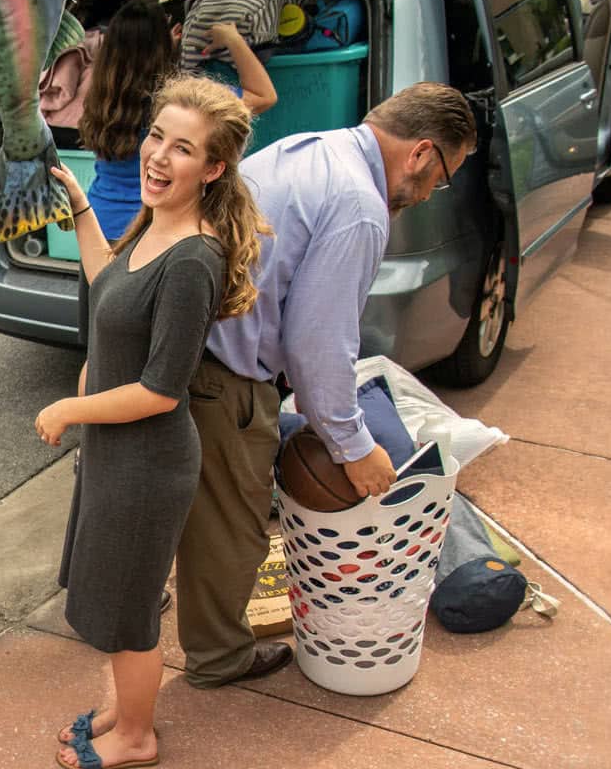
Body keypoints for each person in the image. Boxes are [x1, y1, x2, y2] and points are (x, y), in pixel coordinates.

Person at [175, 82, 478, 688]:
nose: (429, 192)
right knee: (231, 533)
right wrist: (353, 447)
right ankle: (218, 659)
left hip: (187, 348)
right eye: (441, 174)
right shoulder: (360, 206)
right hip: (221, 376)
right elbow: (319, 346)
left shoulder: (312, 150)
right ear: (420, 152)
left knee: (190, 513)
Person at [36, 77, 264, 769]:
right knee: (110, 590)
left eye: (184, 148)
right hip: (115, 454)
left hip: (145, 464)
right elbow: (109, 284)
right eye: (157, 136)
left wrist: (70, 407)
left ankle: (136, 733)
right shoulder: (153, 221)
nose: (159, 155)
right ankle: (122, 709)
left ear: (215, 168)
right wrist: (78, 207)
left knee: (130, 607)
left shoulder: (194, 259)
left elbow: (162, 391)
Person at [79, 0, 277, 245]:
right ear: (159, 49)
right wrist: (232, 38)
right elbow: (264, 95)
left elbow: (135, 70)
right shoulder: (181, 106)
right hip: (152, 227)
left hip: (99, 222)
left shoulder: (101, 95)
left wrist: (165, 49)